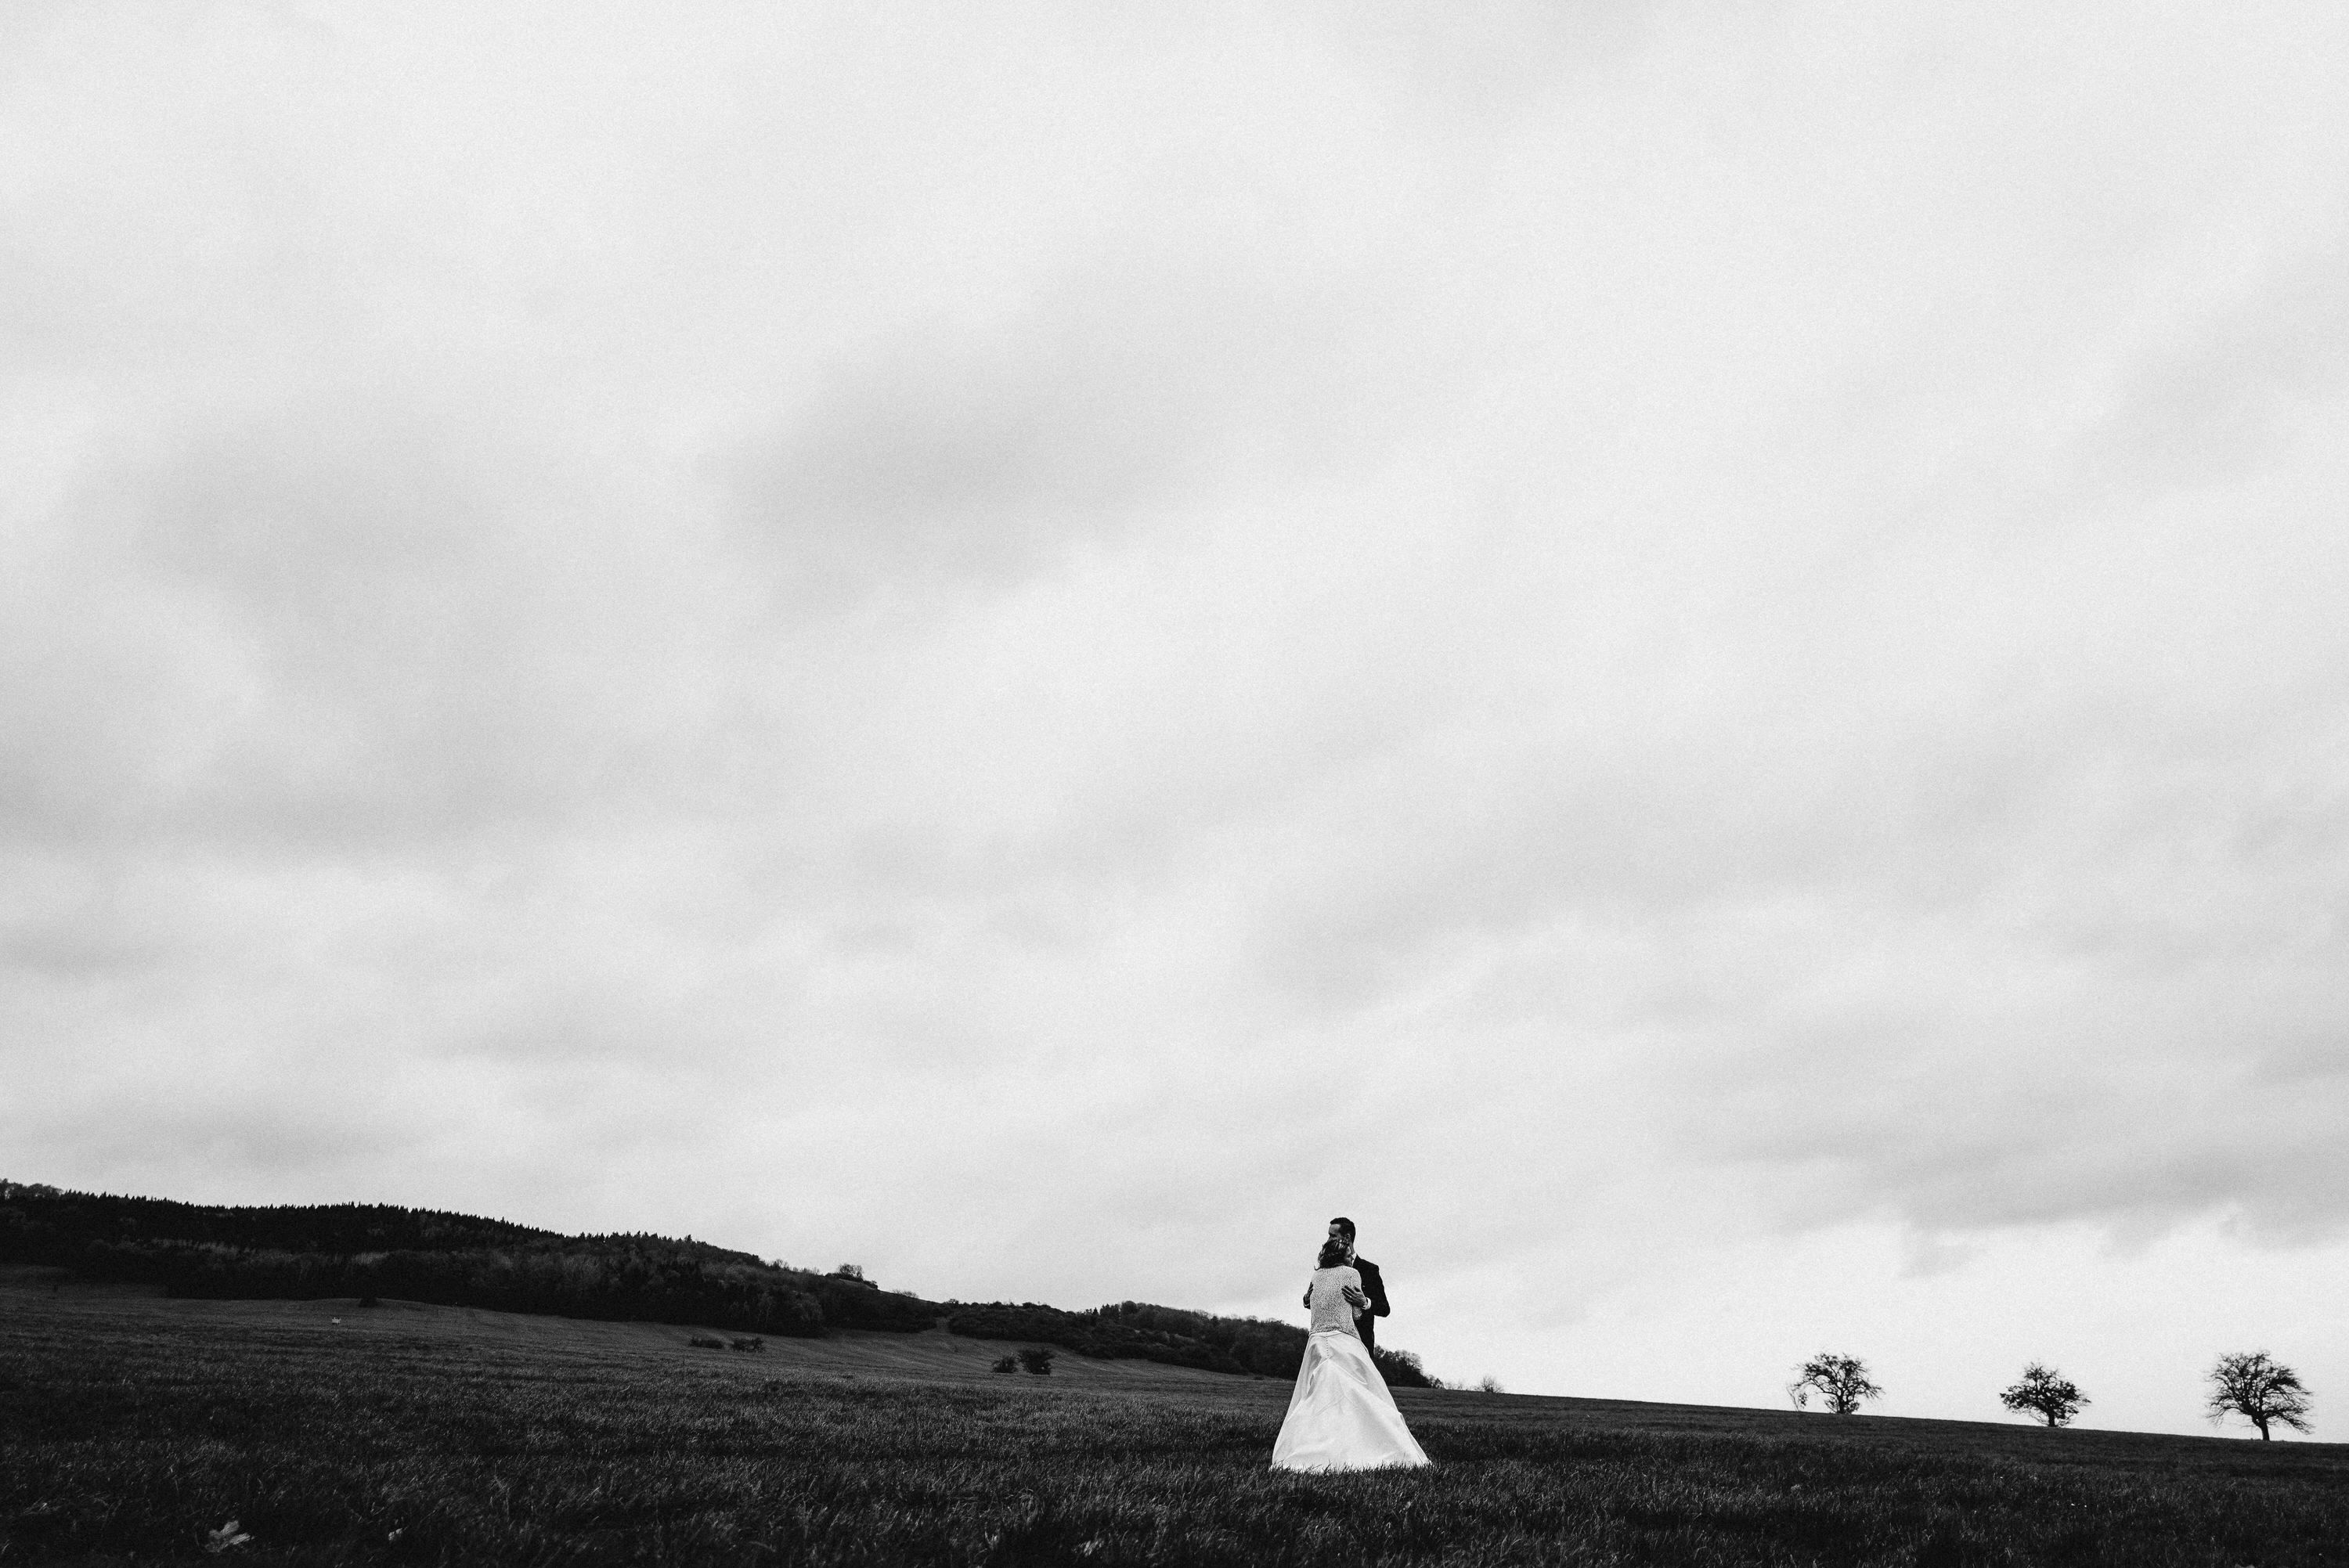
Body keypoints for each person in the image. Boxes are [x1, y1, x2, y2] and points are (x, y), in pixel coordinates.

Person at [1270, 1234, 1431, 1472]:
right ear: (1343, 1253)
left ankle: (1311, 1447)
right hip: (1344, 1341)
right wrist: (1356, 1305)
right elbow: (1356, 1315)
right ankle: (1363, 1445)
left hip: (1315, 1343)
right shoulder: (1352, 1273)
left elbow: (1321, 1302)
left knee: (1317, 1397)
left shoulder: (1318, 1275)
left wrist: (1362, 1301)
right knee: (1363, 1396)